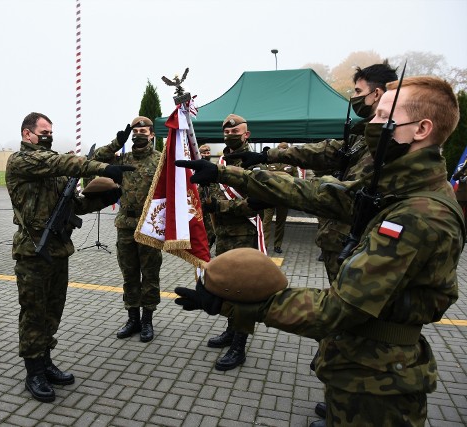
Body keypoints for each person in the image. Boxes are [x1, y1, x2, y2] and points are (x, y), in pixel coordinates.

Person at [175, 76, 464, 426]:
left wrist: (231, 304)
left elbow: (336, 310)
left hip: (379, 381)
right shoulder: (395, 187)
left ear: (421, 129)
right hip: (357, 363)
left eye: (383, 117)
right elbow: (319, 193)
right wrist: (229, 174)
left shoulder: (418, 216)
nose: (370, 123)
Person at [230, 62, 398, 284]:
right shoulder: (365, 138)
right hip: (343, 245)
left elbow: (329, 194)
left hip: (361, 252)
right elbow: (325, 150)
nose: (354, 98)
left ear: (377, 93)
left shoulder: (390, 143)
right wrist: (268, 155)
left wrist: (241, 177)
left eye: (358, 91)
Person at [5, 112, 132, 403]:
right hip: (33, 251)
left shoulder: (53, 169)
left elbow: (75, 201)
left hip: (58, 249)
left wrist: (105, 196)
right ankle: (33, 371)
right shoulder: (22, 161)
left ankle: (46, 361)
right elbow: (66, 162)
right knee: (34, 313)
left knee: (53, 310)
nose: (48, 135)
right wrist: (103, 166)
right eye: (43, 131)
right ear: (27, 134)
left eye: (51, 131)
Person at [201, 114, 265, 371]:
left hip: (244, 235)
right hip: (224, 235)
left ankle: (239, 345)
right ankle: (230, 331)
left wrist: (221, 206)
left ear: (246, 134)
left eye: (236, 130)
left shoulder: (254, 164)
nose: (230, 134)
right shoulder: (222, 161)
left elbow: (259, 202)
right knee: (227, 287)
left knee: (244, 291)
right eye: (226, 131)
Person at [93, 116, 163, 343]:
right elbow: (96, 159)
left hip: (149, 224)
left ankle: (147, 321)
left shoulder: (160, 160)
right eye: (136, 130)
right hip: (125, 225)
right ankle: (132, 318)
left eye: (144, 130)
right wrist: (116, 141)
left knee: (150, 274)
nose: (139, 133)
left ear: (152, 134)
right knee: (129, 273)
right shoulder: (122, 158)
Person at [261, 142, 297, 254]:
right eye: (280, 149)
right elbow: (263, 178)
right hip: (269, 197)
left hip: (283, 197)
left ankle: (277, 245)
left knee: (280, 223)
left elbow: (296, 181)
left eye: (284, 149)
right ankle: (264, 245)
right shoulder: (270, 162)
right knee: (266, 222)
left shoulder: (292, 164)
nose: (282, 151)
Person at [198, 144, 216, 249]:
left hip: (211, 200)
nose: (206, 154)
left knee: (212, 228)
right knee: (201, 227)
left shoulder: (214, 167)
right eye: (204, 152)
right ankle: (204, 248)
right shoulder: (196, 168)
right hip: (199, 202)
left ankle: (209, 244)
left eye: (208, 152)